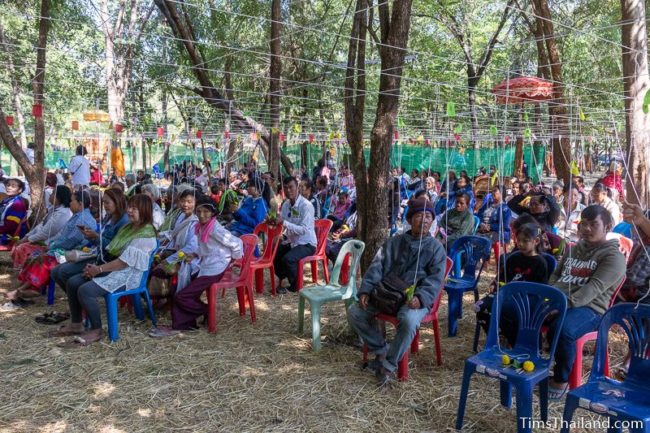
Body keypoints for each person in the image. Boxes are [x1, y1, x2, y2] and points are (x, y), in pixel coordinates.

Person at [347, 197, 447, 387]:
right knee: (354, 313)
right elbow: (377, 267)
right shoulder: (394, 242)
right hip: (387, 295)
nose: (424, 220)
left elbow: (435, 280)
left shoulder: (436, 248)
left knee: (409, 320)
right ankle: (381, 348)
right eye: (419, 216)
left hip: (413, 300)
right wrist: (365, 291)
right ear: (410, 219)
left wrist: (420, 297)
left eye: (428, 216)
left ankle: (389, 364)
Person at [49, 194, 158, 346]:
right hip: (115, 266)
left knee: (85, 290)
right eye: (130, 207)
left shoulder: (145, 235)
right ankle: (77, 323)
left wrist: (99, 269)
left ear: (144, 211)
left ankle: (96, 330)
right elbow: (112, 251)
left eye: (135, 208)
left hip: (129, 275)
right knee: (73, 282)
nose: (130, 211)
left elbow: (124, 262)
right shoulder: (129, 228)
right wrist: (95, 266)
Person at [545, 205, 626, 399]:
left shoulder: (614, 257)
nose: (587, 228)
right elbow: (556, 274)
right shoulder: (574, 249)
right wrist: (550, 297)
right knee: (515, 308)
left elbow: (594, 289)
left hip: (591, 310)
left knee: (562, 328)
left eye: (593, 224)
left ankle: (561, 380)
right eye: (584, 224)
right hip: (561, 301)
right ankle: (528, 364)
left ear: (607, 226)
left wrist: (560, 306)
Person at [149, 197, 243, 337]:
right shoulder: (201, 226)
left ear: (213, 213)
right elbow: (204, 247)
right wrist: (194, 254)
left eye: (206, 211)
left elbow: (236, 243)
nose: (201, 214)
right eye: (199, 211)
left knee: (182, 296)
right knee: (179, 286)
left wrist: (232, 260)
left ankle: (207, 311)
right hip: (206, 264)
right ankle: (184, 324)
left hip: (215, 267)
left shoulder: (214, 229)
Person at [7, 190, 96, 302]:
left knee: (42, 259)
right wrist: (52, 245)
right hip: (64, 249)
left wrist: (52, 246)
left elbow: (71, 241)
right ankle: (24, 288)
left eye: (72, 201)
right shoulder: (78, 216)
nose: (70, 203)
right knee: (35, 256)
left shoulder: (82, 218)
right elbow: (63, 236)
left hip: (71, 252)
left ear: (80, 204)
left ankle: (33, 289)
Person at [474, 223, 550, 343]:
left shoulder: (540, 263)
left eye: (525, 241)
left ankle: (515, 341)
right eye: (518, 240)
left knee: (504, 311)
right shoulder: (514, 258)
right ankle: (497, 338)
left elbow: (540, 289)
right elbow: (503, 277)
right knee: (480, 306)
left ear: (536, 241)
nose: (520, 244)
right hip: (506, 294)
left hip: (525, 300)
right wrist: (495, 283)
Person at [50, 188, 129, 296]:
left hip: (104, 260)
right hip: (94, 254)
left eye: (107, 202)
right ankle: (77, 304)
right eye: (103, 202)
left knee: (64, 272)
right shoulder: (109, 216)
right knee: (55, 272)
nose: (104, 205)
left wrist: (95, 237)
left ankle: (79, 304)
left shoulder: (123, 221)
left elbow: (113, 249)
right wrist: (91, 235)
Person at [148, 189, 198, 299]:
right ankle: (159, 297)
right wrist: (160, 235)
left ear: (195, 203)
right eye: (183, 201)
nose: (185, 204)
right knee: (151, 263)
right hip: (176, 252)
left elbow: (191, 248)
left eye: (189, 202)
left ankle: (163, 297)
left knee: (159, 271)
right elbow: (174, 233)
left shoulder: (195, 222)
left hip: (187, 258)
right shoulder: (181, 216)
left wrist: (170, 259)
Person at [273, 177, 317, 293]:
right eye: (286, 188)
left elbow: (304, 230)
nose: (288, 190)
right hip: (292, 241)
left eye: (291, 187)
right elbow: (283, 224)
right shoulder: (286, 204)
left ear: (297, 188)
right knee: (275, 252)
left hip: (307, 243)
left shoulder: (306, 206)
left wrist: (284, 222)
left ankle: (296, 286)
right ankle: (284, 276)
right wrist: (278, 231)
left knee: (289, 259)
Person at [11, 185, 72, 269]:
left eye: (53, 194)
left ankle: (23, 270)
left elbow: (46, 233)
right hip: (43, 240)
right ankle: (21, 269)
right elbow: (41, 226)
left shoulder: (62, 213)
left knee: (22, 247)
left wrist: (27, 239)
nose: (50, 196)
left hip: (50, 244)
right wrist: (26, 236)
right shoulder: (53, 209)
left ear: (59, 198)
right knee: (18, 245)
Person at [0, 178, 28, 244]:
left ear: (20, 190)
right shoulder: (7, 201)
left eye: (13, 186)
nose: (9, 187)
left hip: (8, 237)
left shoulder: (17, 204)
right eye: (8, 185)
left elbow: (11, 226)